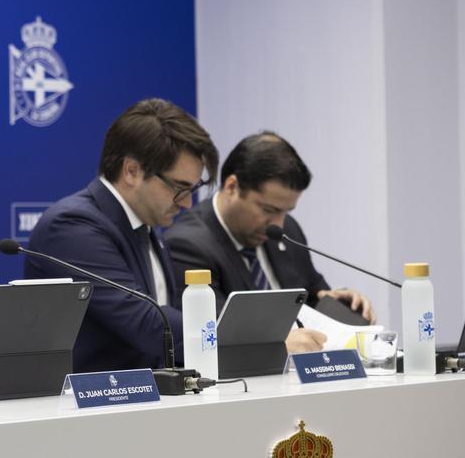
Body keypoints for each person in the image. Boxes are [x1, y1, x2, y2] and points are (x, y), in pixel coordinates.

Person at [25, 98, 218, 373]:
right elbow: (148, 324)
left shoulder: (146, 227)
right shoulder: (72, 227)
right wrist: (241, 342)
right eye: (179, 187)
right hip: (82, 408)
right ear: (132, 171)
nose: (187, 203)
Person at [164, 132, 374, 353]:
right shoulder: (188, 245)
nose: (278, 223)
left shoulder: (286, 230)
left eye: (286, 211)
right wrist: (278, 347)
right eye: (268, 210)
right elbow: (215, 341)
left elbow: (311, 293)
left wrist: (335, 301)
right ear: (232, 187)